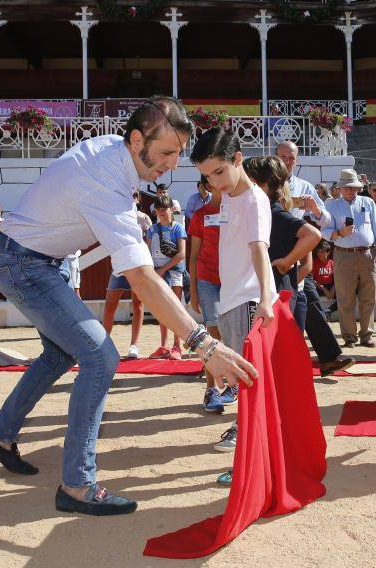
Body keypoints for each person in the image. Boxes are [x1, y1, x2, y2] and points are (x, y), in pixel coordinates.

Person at [0, 97, 257, 517]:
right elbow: (142, 278)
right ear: (137, 139)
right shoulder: (104, 181)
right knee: (101, 355)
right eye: (165, 153)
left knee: (61, 352)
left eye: (177, 155)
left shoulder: (115, 151)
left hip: (32, 261)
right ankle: (77, 484)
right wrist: (205, 345)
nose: (171, 166)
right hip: (26, 266)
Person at [191, 127, 277, 472]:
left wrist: (266, 299)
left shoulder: (255, 198)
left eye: (218, 172)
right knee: (242, 378)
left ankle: (249, 450)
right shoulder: (227, 197)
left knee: (248, 377)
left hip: (247, 299)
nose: (213, 182)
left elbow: (260, 248)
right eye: (206, 176)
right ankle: (249, 444)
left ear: (237, 160)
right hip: (230, 298)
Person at [276, 141, 354, 375]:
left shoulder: (304, 186)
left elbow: (326, 220)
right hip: (271, 246)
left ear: (297, 160)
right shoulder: (266, 184)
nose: (287, 162)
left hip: (298, 247)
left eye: (291, 158)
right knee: (297, 302)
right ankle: (325, 357)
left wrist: (315, 209)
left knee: (308, 299)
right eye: (283, 157)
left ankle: (328, 357)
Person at [244, 155, 322, 330]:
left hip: (276, 296)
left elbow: (313, 235)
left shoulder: (276, 214)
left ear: (261, 185)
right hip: (267, 294)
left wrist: (287, 262)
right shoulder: (262, 211)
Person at [322, 168, 376, 348]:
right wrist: (339, 233)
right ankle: (349, 336)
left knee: (369, 297)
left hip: (368, 254)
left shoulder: (368, 202)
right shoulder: (331, 206)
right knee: (345, 298)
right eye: (347, 187)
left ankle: (367, 335)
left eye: (354, 187)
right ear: (340, 188)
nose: (351, 190)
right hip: (344, 254)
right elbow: (325, 232)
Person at [188, 179, 236, 413]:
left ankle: (231, 386)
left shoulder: (237, 210)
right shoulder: (200, 215)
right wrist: (194, 291)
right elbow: (194, 255)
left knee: (233, 335)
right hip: (208, 281)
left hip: (234, 281)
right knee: (212, 334)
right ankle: (212, 389)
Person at [103, 191, 151, 360]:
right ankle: (104, 343)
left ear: (138, 199)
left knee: (137, 304)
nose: (131, 198)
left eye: (134, 195)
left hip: (137, 266)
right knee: (110, 305)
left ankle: (134, 345)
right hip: (119, 265)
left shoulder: (144, 219)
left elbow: (149, 242)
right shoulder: (116, 215)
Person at [147, 195, 188, 360]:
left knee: (176, 308)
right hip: (157, 273)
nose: (161, 212)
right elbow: (148, 252)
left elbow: (182, 254)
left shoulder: (178, 228)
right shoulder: (151, 230)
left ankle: (177, 346)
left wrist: (163, 269)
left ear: (172, 209)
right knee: (161, 310)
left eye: (164, 209)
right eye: (158, 209)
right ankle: (163, 346)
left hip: (174, 271)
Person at [312, 240, 337, 316]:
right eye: (318, 251)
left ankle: (327, 311)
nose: (319, 254)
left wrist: (333, 288)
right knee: (310, 294)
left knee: (344, 297)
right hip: (319, 287)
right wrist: (323, 288)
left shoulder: (332, 263)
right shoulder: (315, 263)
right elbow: (311, 280)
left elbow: (337, 278)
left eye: (322, 251)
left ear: (328, 253)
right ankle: (318, 313)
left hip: (331, 286)